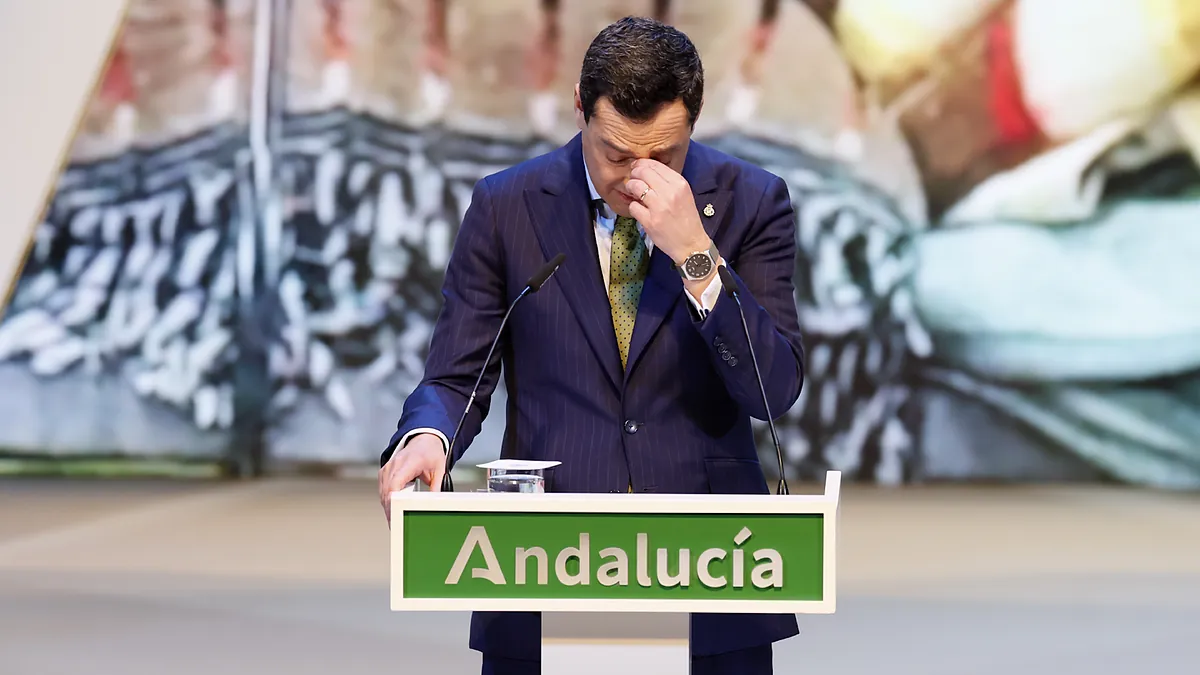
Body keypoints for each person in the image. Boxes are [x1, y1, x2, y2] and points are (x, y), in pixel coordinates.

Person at [379, 16, 806, 675]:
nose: (638, 177)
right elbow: (457, 376)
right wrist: (427, 438)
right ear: (580, 105)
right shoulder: (506, 205)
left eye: (664, 156)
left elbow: (772, 389)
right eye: (616, 154)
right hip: (542, 563)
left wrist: (696, 255)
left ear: (694, 120)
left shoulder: (753, 201)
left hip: (711, 569)